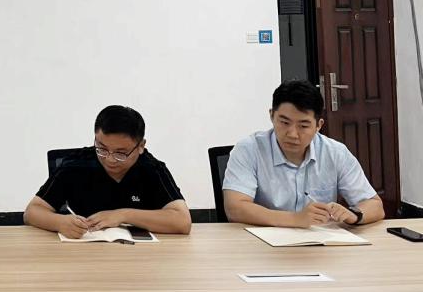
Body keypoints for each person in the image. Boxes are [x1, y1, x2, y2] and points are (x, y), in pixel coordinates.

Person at [223, 80, 384, 227]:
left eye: (303, 126)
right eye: (284, 122)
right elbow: (235, 208)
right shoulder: (249, 149)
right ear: (272, 116)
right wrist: (295, 219)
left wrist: (354, 214)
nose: (292, 134)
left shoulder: (336, 153)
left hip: (320, 243)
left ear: (318, 125)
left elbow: (375, 205)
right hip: (263, 243)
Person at [24, 105, 191, 236]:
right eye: (102, 149)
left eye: (121, 153)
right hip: (82, 252)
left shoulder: (151, 169)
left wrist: (123, 215)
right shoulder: (76, 165)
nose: (110, 159)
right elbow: (32, 211)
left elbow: (182, 221)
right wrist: (59, 222)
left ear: (141, 146)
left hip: (139, 257)